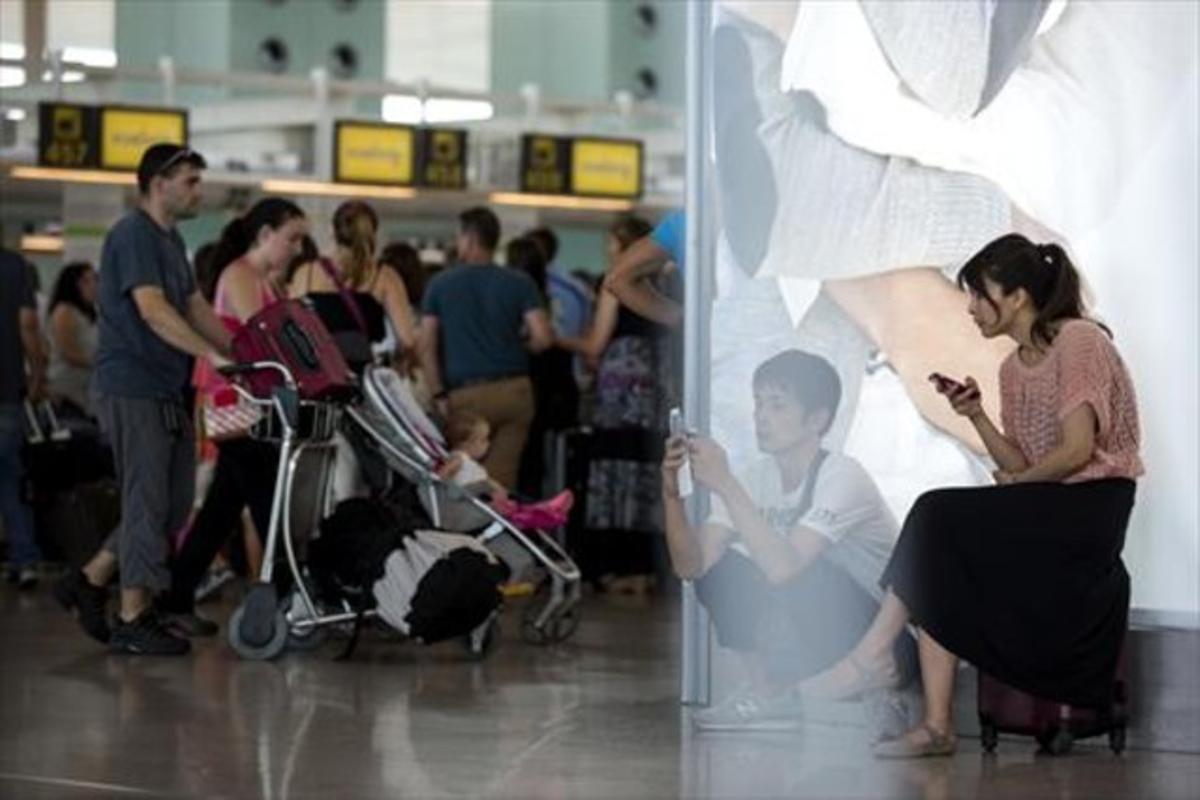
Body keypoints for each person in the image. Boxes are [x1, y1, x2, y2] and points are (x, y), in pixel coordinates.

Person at [801, 234, 1143, 758]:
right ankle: (936, 726)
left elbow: (1076, 452)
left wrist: (1016, 487)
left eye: (980, 295)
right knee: (942, 550)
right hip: (1047, 503)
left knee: (938, 512)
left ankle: (874, 655)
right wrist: (977, 416)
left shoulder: (1079, 341)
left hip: (1091, 509)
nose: (971, 307)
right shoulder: (1012, 368)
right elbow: (1023, 466)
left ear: (1018, 297)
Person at [662, 349, 913, 730]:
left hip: (882, 641)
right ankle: (766, 691)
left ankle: (806, 694)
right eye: (758, 404)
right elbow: (692, 566)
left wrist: (726, 483)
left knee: (795, 566)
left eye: (777, 406)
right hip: (813, 627)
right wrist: (671, 493)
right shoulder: (756, 476)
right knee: (722, 570)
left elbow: (786, 569)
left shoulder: (842, 475)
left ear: (817, 419)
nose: (761, 417)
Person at [53, 143, 232, 656]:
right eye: (190, 181)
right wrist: (210, 357)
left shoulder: (171, 240)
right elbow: (152, 310)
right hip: (133, 385)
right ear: (159, 182)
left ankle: (89, 580)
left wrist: (242, 351)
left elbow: (193, 305)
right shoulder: (132, 234)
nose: (198, 189)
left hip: (166, 387)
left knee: (172, 506)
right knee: (147, 500)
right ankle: (133, 615)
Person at [159, 198, 309, 631]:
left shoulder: (261, 278)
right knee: (265, 499)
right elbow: (262, 338)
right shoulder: (242, 276)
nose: (297, 248)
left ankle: (178, 594)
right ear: (265, 235)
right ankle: (287, 593)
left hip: (247, 404)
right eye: (292, 238)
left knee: (223, 507)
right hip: (236, 405)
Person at [559, 215, 677, 594]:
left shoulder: (616, 281)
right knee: (650, 468)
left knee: (615, 471)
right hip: (659, 380)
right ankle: (648, 565)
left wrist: (558, 340)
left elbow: (595, 344)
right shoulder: (667, 280)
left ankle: (617, 565)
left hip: (621, 386)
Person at [417, 207, 555, 490]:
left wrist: (437, 393)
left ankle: (466, 533)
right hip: (514, 392)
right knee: (501, 483)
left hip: (466, 396)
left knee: (464, 482)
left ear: (469, 240)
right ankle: (498, 528)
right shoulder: (519, 282)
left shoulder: (440, 285)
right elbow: (543, 338)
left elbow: (426, 346)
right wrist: (513, 345)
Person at [289, 201, 417, 372]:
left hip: (320, 379)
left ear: (332, 232)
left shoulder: (306, 273)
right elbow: (407, 341)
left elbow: (291, 329)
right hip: (364, 381)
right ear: (373, 233)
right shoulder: (384, 277)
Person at [507, 236, 580, 497]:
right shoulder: (566, 295)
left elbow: (539, 341)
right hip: (558, 388)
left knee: (523, 460)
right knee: (548, 462)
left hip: (526, 384)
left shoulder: (513, 295)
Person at [0, 247, 47, 588]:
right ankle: (25, 558)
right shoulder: (13, 266)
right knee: (10, 480)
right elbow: (27, 324)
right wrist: (37, 374)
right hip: (6, 388)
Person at [603, 210, 684, 328]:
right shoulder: (668, 275)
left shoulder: (683, 222)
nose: (608, 250)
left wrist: (684, 318)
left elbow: (614, 279)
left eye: (611, 242)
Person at [45, 261, 100, 417]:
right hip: (67, 386)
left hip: (86, 385)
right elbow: (68, 352)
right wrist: (100, 365)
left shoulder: (92, 313)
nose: (94, 285)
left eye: (94, 279)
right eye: (86, 281)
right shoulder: (65, 311)